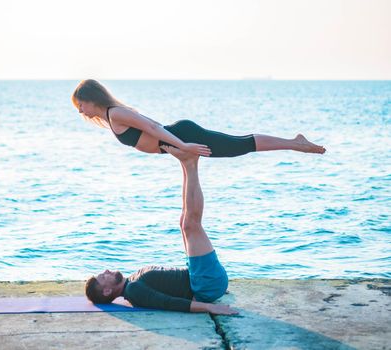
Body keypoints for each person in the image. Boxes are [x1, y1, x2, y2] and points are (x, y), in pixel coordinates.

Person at [84, 145, 239, 315]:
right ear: (107, 291)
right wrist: (209, 306)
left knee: (184, 222)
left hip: (202, 280)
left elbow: (170, 288)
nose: (106, 271)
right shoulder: (134, 293)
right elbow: (168, 303)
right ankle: (190, 164)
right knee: (191, 225)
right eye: (103, 277)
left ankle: (186, 162)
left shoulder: (132, 282)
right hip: (205, 284)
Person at [72, 79, 326, 157]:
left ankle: (296, 143)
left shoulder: (116, 113)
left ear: (91, 97)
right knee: (238, 144)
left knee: (240, 145)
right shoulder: (110, 116)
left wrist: (183, 146)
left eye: (80, 104)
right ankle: (295, 143)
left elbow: (152, 126)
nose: (80, 110)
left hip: (184, 136)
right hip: (177, 140)